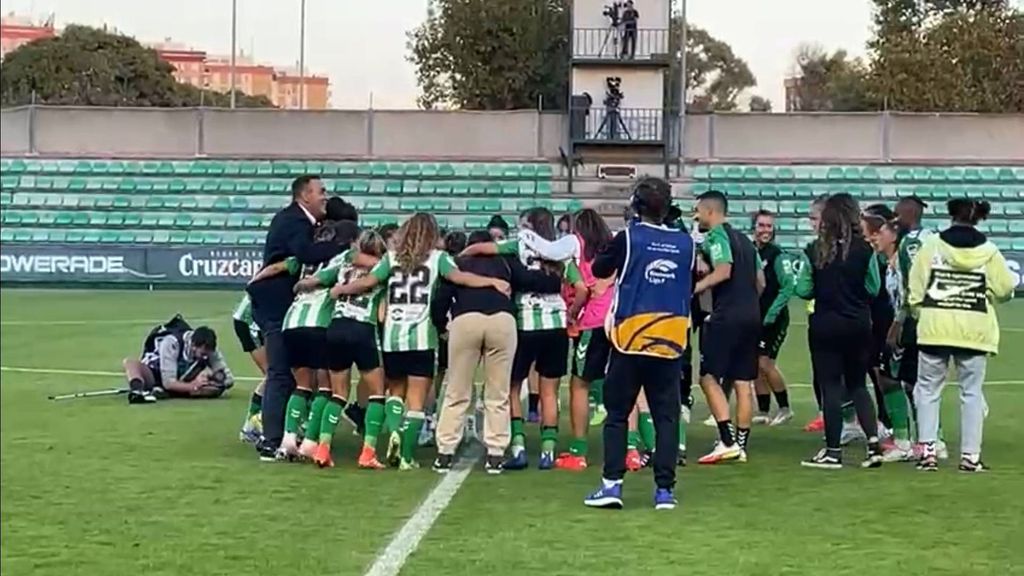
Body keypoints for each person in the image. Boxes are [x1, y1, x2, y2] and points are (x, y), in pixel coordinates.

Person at [332, 213, 510, 470]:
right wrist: (491, 281)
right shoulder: (438, 259)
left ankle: (394, 432)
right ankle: (405, 455)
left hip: (393, 336)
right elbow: (460, 278)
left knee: (395, 393)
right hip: (422, 336)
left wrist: (342, 290)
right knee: (416, 400)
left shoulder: (391, 258)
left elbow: (369, 282)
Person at [583, 177, 694, 511]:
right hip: (671, 338)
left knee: (618, 414)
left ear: (636, 206)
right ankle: (664, 490)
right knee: (666, 417)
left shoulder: (629, 237)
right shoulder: (686, 242)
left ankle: (612, 484)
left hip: (630, 337)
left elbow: (601, 267)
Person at [460, 208, 586, 470]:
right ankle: (548, 451)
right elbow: (582, 288)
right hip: (555, 326)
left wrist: (462, 255)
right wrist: (572, 312)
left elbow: (483, 249)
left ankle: (518, 447)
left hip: (524, 325)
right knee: (549, 391)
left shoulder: (518, 246)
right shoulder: (560, 253)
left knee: (514, 387)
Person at [431, 230, 563, 474]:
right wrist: (557, 275)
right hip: (501, 321)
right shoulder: (506, 262)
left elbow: (441, 299)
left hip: (466, 319)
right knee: (498, 391)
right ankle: (495, 453)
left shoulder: (458, 262)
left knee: (457, 390)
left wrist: (442, 326)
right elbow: (538, 282)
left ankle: (445, 452)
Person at [908, 198, 1014, 472]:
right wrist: (985, 293)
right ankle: (970, 457)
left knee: (928, 391)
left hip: (935, 329)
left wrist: (922, 312)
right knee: (972, 393)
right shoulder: (989, 252)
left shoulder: (932, 245)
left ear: (951, 216)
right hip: (975, 331)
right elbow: (1004, 289)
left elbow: (915, 289)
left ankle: (927, 452)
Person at [247, 175, 346, 461]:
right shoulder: (294, 220)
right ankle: (271, 439)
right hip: (275, 305)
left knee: (292, 375)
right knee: (279, 372)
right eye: (321, 192)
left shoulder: (298, 221)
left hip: (279, 304)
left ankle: (284, 435)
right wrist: (344, 249)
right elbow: (305, 253)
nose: (325, 197)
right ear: (305, 196)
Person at [794, 193, 884, 470]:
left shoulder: (814, 250)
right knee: (858, 385)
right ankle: (873, 445)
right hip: (858, 324)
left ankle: (833, 451)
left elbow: (803, 289)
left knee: (831, 386)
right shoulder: (866, 250)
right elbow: (873, 288)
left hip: (825, 325)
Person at [288, 229, 390, 469]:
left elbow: (316, 280)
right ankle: (368, 453)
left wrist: (301, 285)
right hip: (363, 328)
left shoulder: (344, 263)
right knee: (376, 393)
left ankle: (322, 449)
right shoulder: (384, 268)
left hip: (336, 328)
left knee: (338, 394)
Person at [691, 190, 764, 465]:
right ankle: (740, 446)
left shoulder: (716, 236)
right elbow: (761, 282)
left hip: (728, 315)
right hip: (751, 315)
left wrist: (694, 288)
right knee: (743, 382)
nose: (696, 216)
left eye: (698, 211)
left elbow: (723, 271)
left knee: (708, 376)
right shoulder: (747, 241)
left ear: (710, 211)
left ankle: (727, 440)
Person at [861, 205, 915, 462]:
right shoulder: (888, 263)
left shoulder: (904, 261)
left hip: (909, 328)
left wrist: (897, 327)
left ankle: (925, 441)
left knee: (914, 384)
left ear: (892, 234)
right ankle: (904, 439)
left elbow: (909, 298)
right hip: (895, 327)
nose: (872, 237)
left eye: (877, 231)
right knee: (889, 379)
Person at [750, 210, 796, 426]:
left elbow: (787, 287)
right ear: (754, 228)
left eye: (769, 226)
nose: (765, 230)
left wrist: (771, 314)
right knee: (755, 364)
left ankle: (785, 408)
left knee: (765, 363)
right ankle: (763, 410)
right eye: (761, 225)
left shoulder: (778, 255)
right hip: (755, 317)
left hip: (774, 319)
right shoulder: (751, 252)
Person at [123, 320, 234, 403]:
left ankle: (168, 392)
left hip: (183, 381)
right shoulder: (172, 343)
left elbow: (228, 380)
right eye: (202, 354)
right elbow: (168, 382)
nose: (205, 358)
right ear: (194, 346)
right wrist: (193, 386)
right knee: (130, 363)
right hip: (155, 374)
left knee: (215, 389)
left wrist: (212, 377)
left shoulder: (209, 350)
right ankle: (137, 392)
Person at [802, 195, 828, 433]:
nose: (811, 223)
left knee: (828, 371)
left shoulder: (815, 250)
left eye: (814, 218)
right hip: (820, 315)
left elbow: (803, 289)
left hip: (824, 316)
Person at [232, 293, 267, 443]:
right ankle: (250, 427)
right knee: (274, 374)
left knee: (278, 374)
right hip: (249, 320)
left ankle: (253, 424)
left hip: (257, 317)